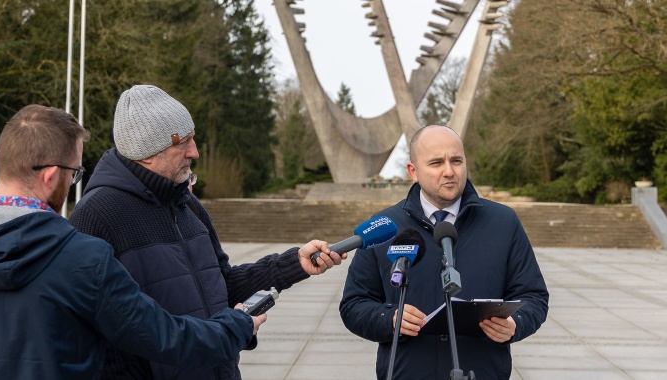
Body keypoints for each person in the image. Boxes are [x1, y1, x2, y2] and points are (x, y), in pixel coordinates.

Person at [0, 105, 264, 380]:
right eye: (74, 174)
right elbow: (169, 340)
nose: (75, 183)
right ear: (50, 176)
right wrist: (237, 323)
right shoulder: (83, 259)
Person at [69, 85, 343, 380]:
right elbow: (86, 334)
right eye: (183, 143)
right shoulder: (95, 217)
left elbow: (221, 286)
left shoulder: (189, 207)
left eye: (193, 138)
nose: (194, 152)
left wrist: (292, 265)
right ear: (146, 151)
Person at [340, 124, 549, 379]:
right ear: (413, 172)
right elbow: (354, 304)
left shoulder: (503, 222)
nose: (449, 171)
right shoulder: (384, 227)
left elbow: (534, 296)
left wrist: (515, 324)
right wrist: (390, 319)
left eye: (456, 160)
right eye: (436, 162)